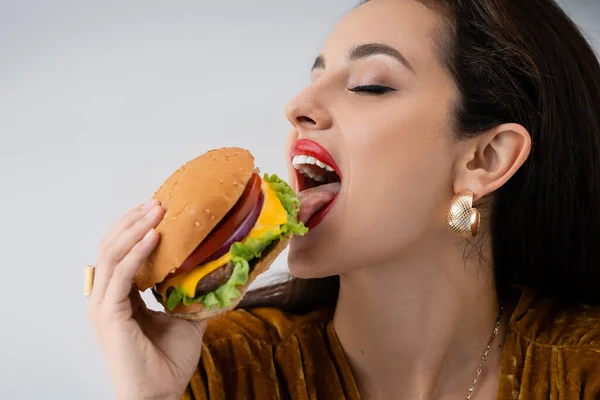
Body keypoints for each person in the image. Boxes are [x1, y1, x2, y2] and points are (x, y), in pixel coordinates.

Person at [87, 0, 600, 399]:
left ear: (484, 160)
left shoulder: (584, 368)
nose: (298, 107)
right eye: (314, 79)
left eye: (368, 85)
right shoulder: (216, 370)